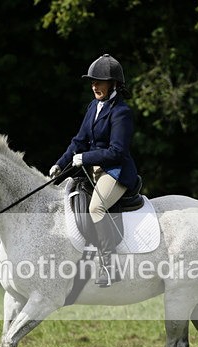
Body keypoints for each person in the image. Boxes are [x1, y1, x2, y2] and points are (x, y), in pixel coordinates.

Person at [50, 54, 139, 288]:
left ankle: (109, 266)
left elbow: (117, 152)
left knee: (96, 207)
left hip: (116, 172)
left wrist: (85, 157)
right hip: (93, 171)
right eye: (92, 81)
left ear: (114, 84)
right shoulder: (93, 106)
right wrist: (61, 163)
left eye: (99, 81)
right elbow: (78, 140)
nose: (94, 86)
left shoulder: (122, 112)